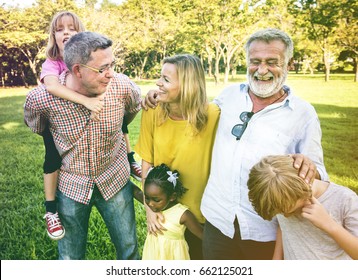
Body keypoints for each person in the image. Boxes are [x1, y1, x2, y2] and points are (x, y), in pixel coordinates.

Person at [199, 28, 328, 259]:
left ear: (289, 65)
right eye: (255, 61)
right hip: (217, 220)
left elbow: (318, 171)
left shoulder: (303, 113)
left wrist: (309, 167)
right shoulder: (228, 96)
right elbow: (194, 119)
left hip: (265, 230)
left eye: (272, 62)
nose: (262, 70)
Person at [24, 31, 141, 260]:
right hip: (71, 186)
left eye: (112, 65)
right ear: (77, 70)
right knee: (70, 259)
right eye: (102, 69)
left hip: (114, 179)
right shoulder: (42, 100)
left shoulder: (122, 87)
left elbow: (131, 112)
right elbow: (37, 126)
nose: (111, 74)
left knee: (129, 252)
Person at [135, 54, 220, 259]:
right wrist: (149, 208)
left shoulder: (213, 115)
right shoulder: (152, 111)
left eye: (166, 79)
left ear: (188, 85)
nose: (158, 83)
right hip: (165, 213)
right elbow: (147, 161)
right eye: (160, 77)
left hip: (200, 216)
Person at [248, 155, 358, 260]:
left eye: (291, 211)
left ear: (304, 192)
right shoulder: (282, 198)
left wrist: (329, 225)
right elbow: (283, 227)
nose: (285, 215)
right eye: (281, 213)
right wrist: (276, 258)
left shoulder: (345, 199)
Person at [133, 164, 203, 260]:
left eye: (156, 200)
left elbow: (203, 235)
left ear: (172, 197)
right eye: (147, 198)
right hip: (152, 255)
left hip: (173, 256)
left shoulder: (183, 215)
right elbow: (136, 192)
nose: (150, 204)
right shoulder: (151, 205)